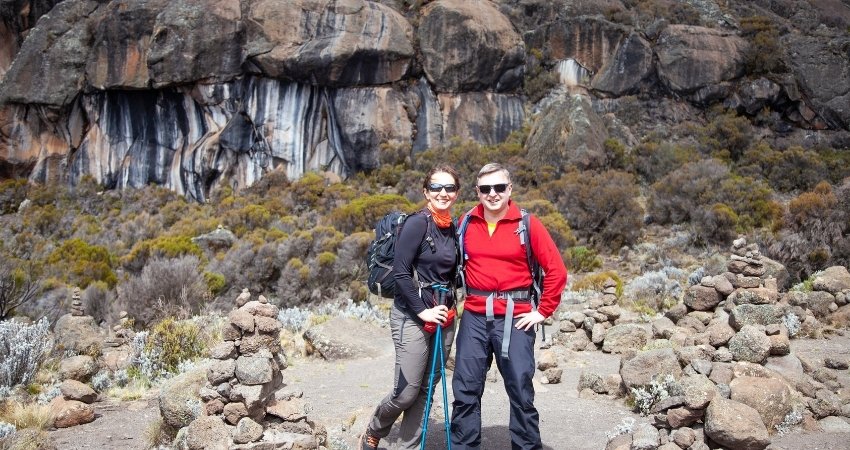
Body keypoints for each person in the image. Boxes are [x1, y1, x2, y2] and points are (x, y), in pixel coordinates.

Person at [450, 162, 568, 450]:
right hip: (475, 317)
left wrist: (542, 311)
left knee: (520, 391)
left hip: (516, 318)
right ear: (477, 191)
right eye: (486, 188)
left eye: (499, 187)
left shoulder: (528, 224)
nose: (493, 194)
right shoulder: (466, 222)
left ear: (509, 189)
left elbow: (557, 270)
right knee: (465, 390)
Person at [361, 165, 461, 450]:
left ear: (457, 193)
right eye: (436, 188)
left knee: (427, 390)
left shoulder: (453, 228)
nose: (443, 193)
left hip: (446, 317)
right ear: (426, 192)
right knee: (406, 393)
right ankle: (375, 427)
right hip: (412, 316)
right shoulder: (418, 223)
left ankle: (408, 446)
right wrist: (423, 311)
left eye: (449, 188)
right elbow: (401, 273)